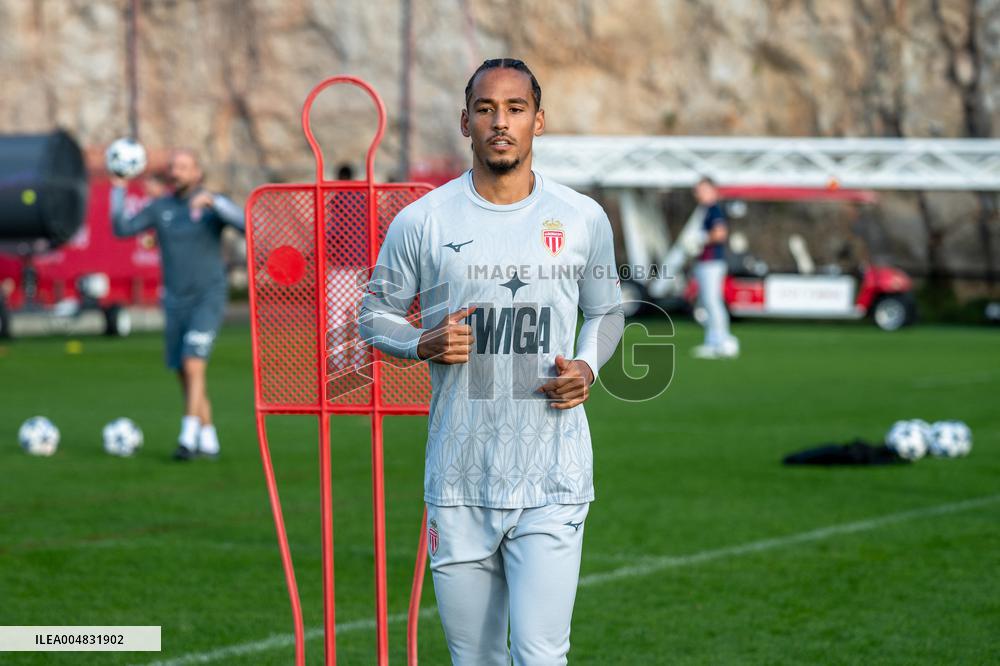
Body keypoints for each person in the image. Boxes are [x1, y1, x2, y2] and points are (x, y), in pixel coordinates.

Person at [358, 58, 624, 665]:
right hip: (458, 481)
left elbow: (607, 313)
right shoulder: (422, 221)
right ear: (465, 122)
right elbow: (373, 315)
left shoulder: (581, 217)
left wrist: (586, 368)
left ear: (538, 120)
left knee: (540, 655)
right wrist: (420, 341)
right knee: (475, 661)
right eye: (486, 109)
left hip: (553, 475)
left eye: (515, 108)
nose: (499, 122)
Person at [110, 149, 245, 460]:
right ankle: (209, 439)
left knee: (193, 362)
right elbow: (122, 228)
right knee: (183, 370)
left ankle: (187, 437)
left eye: (184, 167)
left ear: (197, 173)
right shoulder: (161, 208)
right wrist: (118, 187)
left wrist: (216, 202)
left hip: (208, 297)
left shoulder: (211, 207)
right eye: (173, 167)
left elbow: (244, 225)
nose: (176, 172)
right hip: (174, 300)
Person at [692, 177, 739, 359]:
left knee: (713, 302)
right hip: (705, 262)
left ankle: (722, 341)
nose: (698, 194)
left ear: (712, 190)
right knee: (707, 302)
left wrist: (702, 239)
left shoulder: (714, 210)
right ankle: (713, 341)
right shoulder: (704, 211)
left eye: (702, 189)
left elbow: (720, 233)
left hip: (712, 262)